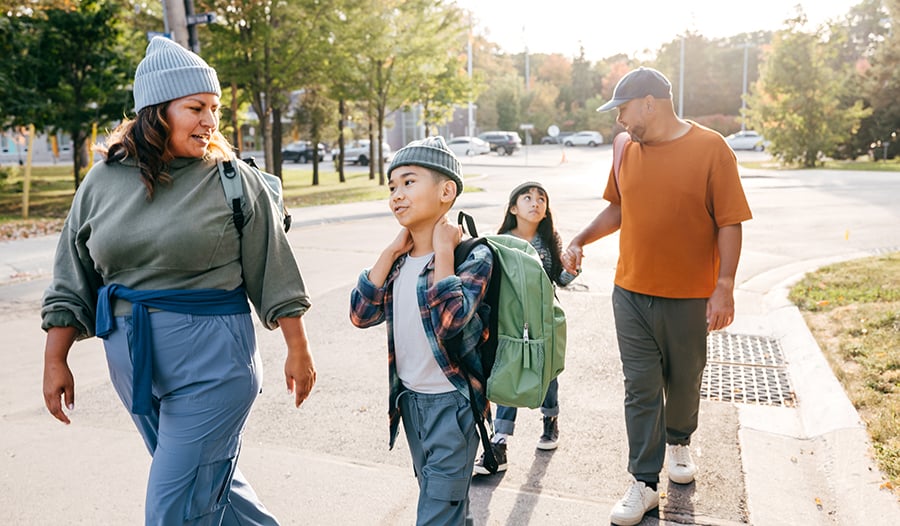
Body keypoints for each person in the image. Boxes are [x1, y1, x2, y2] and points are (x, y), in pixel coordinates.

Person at [40, 37, 316, 525]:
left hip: (215, 365)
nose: (211, 121)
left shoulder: (233, 180)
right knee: (212, 491)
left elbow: (273, 268)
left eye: (215, 108)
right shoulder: (101, 181)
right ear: (156, 112)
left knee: (174, 507)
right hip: (135, 370)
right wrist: (55, 360)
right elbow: (72, 277)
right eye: (196, 107)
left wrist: (298, 348)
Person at [561, 67, 752, 526]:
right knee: (641, 387)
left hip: (689, 296)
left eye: (623, 110)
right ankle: (644, 482)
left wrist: (724, 285)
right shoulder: (625, 148)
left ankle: (680, 440)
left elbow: (729, 221)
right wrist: (580, 239)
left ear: (650, 103)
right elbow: (620, 207)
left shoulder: (712, 149)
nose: (620, 121)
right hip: (630, 292)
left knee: (685, 379)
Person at [349, 136, 492, 526]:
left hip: (454, 405)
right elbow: (361, 314)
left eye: (409, 182)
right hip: (410, 401)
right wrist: (390, 252)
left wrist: (443, 251)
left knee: (436, 511)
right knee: (445, 504)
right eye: (392, 186)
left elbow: (451, 319)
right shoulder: (398, 262)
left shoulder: (473, 257)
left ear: (446, 191)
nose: (397, 194)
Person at [473, 181, 578, 476]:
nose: (535, 203)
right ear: (513, 208)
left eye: (541, 199)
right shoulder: (500, 241)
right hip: (510, 322)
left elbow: (561, 279)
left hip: (544, 321)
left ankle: (550, 419)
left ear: (545, 211)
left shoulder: (548, 240)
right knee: (509, 375)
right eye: (527, 197)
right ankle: (500, 441)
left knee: (547, 373)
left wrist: (573, 267)